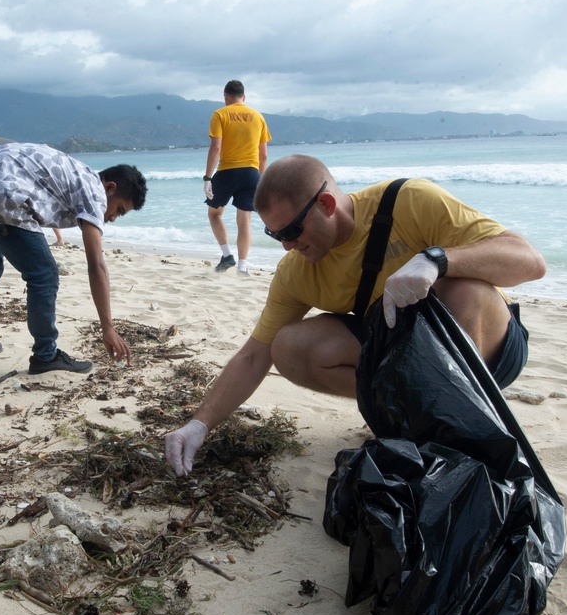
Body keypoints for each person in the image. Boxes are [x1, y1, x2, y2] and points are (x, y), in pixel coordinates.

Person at [165, 154, 546, 476]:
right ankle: (413, 417)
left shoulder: (410, 201)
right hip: (409, 361)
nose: (287, 246)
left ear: (327, 205)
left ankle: (464, 427)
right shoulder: (297, 271)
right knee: (290, 345)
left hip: (487, 350)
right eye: (274, 234)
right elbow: (254, 355)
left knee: (463, 288)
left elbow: (530, 262)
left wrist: (439, 259)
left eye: (293, 230)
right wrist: (199, 425)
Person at [0, 143, 148, 373]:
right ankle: (45, 356)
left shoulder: (76, 174)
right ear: (110, 188)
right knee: (44, 275)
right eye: (119, 210)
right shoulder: (95, 193)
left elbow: (7, 171)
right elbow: (96, 265)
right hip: (0, 196)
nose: (114, 218)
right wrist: (108, 328)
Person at [203, 80, 272, 276]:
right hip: (251, 173)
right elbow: (263, 156)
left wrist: (208, 177)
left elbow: (216, 148)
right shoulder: (258, 117)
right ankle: (243, 266)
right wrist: (262, 180)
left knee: (214, 214)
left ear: (225, 96)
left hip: (227, 172)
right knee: (245, 221)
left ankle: (227, 255)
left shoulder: (220, 114)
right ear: (244, 97)